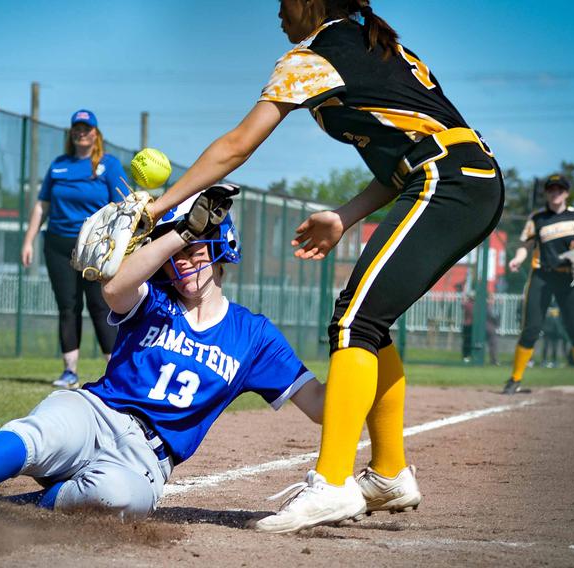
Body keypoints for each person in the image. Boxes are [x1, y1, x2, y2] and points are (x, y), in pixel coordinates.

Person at [144, 0, 503, 533]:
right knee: (369, 323)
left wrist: (155, 208)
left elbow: (236, 146)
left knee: (355, 322)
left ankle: (333, 483)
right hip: (459, 177)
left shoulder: (313, 56)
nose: (278, 12)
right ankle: (388, 474)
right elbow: (403, 157)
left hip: (448, 182)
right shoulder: (370, 46)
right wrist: (345, 214)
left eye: (284, 1)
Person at [0, 188, 326, 525]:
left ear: (222, 250)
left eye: (196, 250)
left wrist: (363, 348)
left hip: (148, 457)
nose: (185, 262)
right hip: (95, 411)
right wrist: (180, 232)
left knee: (118, 499)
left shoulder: (254, 336)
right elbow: (114, 288)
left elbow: (322, 407)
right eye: (177, 254)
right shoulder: (154, 299)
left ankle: (14, 507)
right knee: (44, 433)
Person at [21, 109, 127, 388]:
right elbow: (41, 205)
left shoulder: (109, 165)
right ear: (72, 132)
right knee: (68, 306)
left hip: (94, 248)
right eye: (77, 127)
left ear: (96, 133)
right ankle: (69, 371)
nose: (81, 132)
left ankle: (115, 370)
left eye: (86, 127)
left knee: (100, 305)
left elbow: (123, 204)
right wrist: (28, 240)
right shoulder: (58, 165)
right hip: (58, 244)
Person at [502, 174, 574, 397]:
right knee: (531, 328)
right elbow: (526, 245)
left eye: (560, 189)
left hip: (568, 278)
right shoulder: (537, 218)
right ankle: (515, 379)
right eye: (551, 189)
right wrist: (518, 259)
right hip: (542, 276)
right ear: (547, 193)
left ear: (567, 193)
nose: (556, 192)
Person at [461, 291, 474, 363]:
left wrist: (464, 298)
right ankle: (467, 355)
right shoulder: (472, 305)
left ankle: (465, 356)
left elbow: (462, 305)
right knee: (468, 341)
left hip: (466, 325)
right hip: (470, 325)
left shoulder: (467, 304)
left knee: (466, 341)